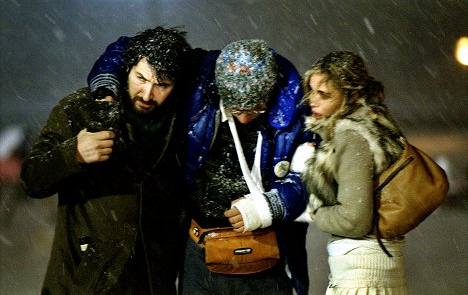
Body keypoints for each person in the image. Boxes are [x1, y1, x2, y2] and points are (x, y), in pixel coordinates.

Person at [87, 38, 314, 294]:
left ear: (271, 93)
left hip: (266, 253)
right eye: (236, 108)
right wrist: (106, 90)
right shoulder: (201, 77)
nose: (244, 117)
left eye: (256, 109)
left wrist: (269, 206)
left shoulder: (297, 110)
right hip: (198, 246)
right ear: (219, 90)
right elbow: (130, 49)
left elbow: (309, 179)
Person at [20, 27, 192, 294]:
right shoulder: (80, 108)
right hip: (86, 280)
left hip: (153, 280)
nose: (147, 94)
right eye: (141, 78)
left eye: (162, 85)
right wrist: (73, 154)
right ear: (127, 69)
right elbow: (32, 179)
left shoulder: (183, 120)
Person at [301, 51, 408, 294]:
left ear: (353, 95)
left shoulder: (351, 136)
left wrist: (317, 213)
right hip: (377, 266)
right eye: (311, 90)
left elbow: (354, 220)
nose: (311, 101)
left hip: (362, 275)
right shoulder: (376, 124)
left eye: (323, 94)